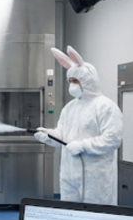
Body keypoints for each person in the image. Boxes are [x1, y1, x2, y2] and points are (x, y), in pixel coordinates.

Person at [35, 46, 123, 205]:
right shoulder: (69, 108)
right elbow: (62, 136)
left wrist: (83, 145)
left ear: (88, 80)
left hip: (95, 177)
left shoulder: (105, 107)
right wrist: (48, 135)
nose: (72, 84)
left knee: (95, 217)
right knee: (70, 216)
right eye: (70, 81)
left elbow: (113, 139)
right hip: (69, 175)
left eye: (76, 80)